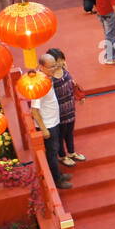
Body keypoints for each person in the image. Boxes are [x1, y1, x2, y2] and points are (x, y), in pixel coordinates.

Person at [31, 52, 71, 189]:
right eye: (51, 67)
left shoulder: (47, 77)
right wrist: (44, 129)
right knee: (52, 153)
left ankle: (58, 174)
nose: (54, 69)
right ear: (42, 67)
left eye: (54, 65)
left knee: (55, 150)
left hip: (54, 120)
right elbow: (34, 110)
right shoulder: (39, 85)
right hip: (48, 125)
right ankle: (56, 180)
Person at [45, 47, 84, 167]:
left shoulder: (64, 69)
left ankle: (72, 152)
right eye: (57, 61)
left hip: (70, 106)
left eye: (61, 59)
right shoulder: (49, 77)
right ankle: (62, 156)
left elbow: (72, 83)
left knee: (69, 132)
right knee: (61, 135)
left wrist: (79, 95)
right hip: (58, 111)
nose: (60, 63)